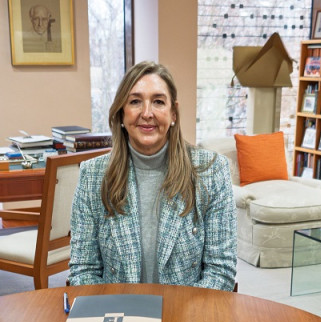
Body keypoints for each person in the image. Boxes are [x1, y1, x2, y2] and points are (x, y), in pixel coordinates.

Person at [69, 61, 237, 290]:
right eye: (135, 101)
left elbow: (220, 271)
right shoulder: (93, 176)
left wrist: (180, 317)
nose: (147, 113)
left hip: (187, 316)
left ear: (173, 112)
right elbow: (83, 270)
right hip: (117, 315)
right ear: (121, 113)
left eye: (158, 102)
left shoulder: (211, 171)